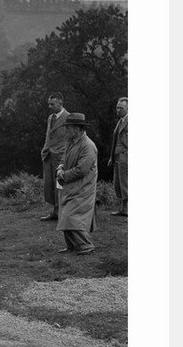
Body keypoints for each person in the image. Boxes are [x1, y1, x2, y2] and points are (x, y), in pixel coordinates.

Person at [55, 113, 98, 255]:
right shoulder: (72, 142)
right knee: (66, 215)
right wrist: (60, 167)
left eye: (69, 128)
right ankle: (73, 246)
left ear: (78, 129)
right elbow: (63, 159)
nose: (66, 130)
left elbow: (82, 170)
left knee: (72, 216)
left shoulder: (88, 146)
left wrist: (64, 175)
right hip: (71, 186)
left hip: (82, 187)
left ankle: (86, 245)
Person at [40, 92, 70, 221]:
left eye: (52, 104)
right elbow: (48, 135)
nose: (50, 106)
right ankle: (55, 211)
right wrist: (45, 149)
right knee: (49, 184)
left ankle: (63, 212)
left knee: (61, 184)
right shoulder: (50, 118)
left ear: (60, 103)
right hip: (49, 155)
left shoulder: (69, 118)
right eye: (49, 104)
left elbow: (72, 139)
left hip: (61, 156)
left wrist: (65, 155)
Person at [107, 97, 128, 216]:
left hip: (126, 156)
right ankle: (123, 209)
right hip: (118, 156)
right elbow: (116, 140)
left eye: (121, 108)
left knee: (126, 183)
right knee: (119, 183)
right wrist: (112, 158)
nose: (118, 110)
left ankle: (127, 209)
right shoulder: (121, 121)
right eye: (117, 107)